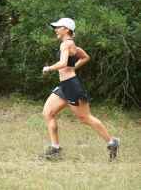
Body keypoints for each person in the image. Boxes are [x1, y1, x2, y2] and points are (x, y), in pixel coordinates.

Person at [41, 18, 119, 160]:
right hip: (64, 86)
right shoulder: (72, 46)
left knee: (85, 118)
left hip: (71, 85)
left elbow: (63, 62)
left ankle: (112, 143)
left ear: (66, 29)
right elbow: (85, 57)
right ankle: (55, 149)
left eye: (58, 27)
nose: (56, 30)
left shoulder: (66, 44)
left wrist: (49, 68)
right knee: (47, 113)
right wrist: (72, 68)